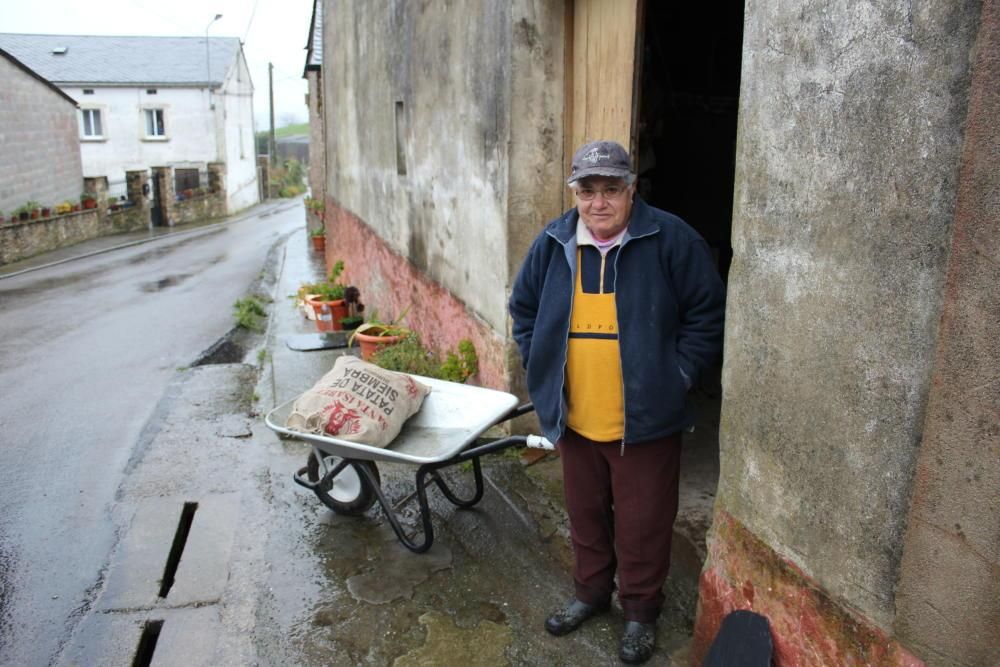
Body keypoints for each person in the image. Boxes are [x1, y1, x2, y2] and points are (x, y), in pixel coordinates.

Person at [509, 140, 725, 664]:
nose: (598, 202)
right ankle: (589, 594)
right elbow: (525, 310)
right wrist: (540, 368)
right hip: (575, 416)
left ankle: (640, 613)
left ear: (631, 190)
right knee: (584, 515)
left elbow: (706, 314)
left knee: (643, 523)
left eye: (611, 189)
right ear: (575, 193)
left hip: (645, 421)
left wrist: (677, 374)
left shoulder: (670, 238)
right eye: (588, 190)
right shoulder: (554, 241)